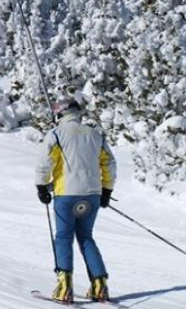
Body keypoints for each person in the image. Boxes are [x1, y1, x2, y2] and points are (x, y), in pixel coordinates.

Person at [35, 97, 117, 303]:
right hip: (92, 194)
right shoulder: (95, 135)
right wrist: (106, 190)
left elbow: (45, 162)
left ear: (60, 113)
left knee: (63, 237)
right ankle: (100, 285)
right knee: (86, 237)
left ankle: (64, 286)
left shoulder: (56, 134)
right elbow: (109, 164)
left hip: (66, 195)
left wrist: (41, 186)